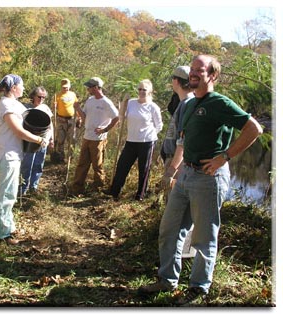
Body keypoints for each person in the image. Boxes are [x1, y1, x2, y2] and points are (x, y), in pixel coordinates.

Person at [138, 55, 263, 306]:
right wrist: (173, 170)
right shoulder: (190, 103)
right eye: (192, 69)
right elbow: (183, 141)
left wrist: (224, 157)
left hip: (209, 178)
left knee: (204, 238)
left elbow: (254, 128)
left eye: (200, 70)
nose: (194, 73)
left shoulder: (219, 103)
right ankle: (167, 280)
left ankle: (198, 288)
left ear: (212, 75)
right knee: (169, 229)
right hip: (186, 175)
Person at [0, 74, 48, 245]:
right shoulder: (6, 104)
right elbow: (18, 131)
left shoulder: (16, 104)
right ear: (14, 87)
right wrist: (38, 140)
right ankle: (2, 234)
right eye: (21, 85)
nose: (24, 89)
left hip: (14, 153)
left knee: (12, 192)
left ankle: (9, 226)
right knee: (6, 193)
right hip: (6, 154)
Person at [107, 79, 163, 201]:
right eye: (140, 89)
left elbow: (159, 126)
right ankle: (114, 192)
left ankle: (140, 195)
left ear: (150, 92)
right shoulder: (131, 103)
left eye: (144, 89)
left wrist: (150, 135)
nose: (141, 92)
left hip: (147, 142)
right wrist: (124, 102)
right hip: (131, 140)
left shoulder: (153, 107)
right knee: (122, 165)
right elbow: (121, 117)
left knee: (144, 169)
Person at [70, 77, 119, 195]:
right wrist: (77, 108)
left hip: (98, 139)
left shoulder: (106, 102)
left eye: (90, 87)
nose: (88, 89)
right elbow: (85, 117)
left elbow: (116, 117)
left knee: (97, 165)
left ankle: (98, 189)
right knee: (82, 163)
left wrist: (105, 129)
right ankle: (77, 189)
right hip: (87, 136)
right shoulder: (90, 100)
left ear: (96, 87)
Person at [160, 66, 195, 202]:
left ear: (176, 81)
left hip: (178, 163)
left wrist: (172, 170)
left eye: (173, 78)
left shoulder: (187, 104)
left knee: (174, 202)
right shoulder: (184, 102)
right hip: (175, 160)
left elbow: (183, 141)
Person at [19, 87, 54, 195]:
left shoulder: (45, 108)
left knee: (38, 164)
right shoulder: (25, 108)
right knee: (27, 165)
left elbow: (50, 125)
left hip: (43, 141)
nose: (41, 99)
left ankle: (34, 187)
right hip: (29, 142)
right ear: (33, 96)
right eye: (39, 97)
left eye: (44, 97)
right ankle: (23, 188)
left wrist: (52, 139)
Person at [52, 78, 80, 163]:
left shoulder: (73, 95)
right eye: (64, 87)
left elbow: (76, 106)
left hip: (71, 119)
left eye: (67, 87)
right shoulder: (57, 95)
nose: (65, 89)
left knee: (72, 139)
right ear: (61, 87)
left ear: (69, 86)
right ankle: (60, 157)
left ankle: (70, 158)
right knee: (60, 139)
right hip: (61, 120)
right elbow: (53, 108)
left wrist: (79, 118)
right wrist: (54, 106)